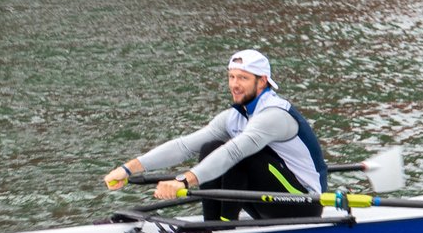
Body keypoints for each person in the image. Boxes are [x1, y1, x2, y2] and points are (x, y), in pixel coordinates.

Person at [102, 50, 328, 221]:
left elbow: (234, 152)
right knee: (210, 146)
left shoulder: (274, 115)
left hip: (302, 203)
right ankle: (212, 226)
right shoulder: (234, 116)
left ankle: (224, 226)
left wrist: (182, 180)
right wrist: (128, 168)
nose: (234, 85)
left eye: (243, 78)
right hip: (267, 201)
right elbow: (184, 146)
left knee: (240, 153)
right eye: (231, 77)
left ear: (262, 82)